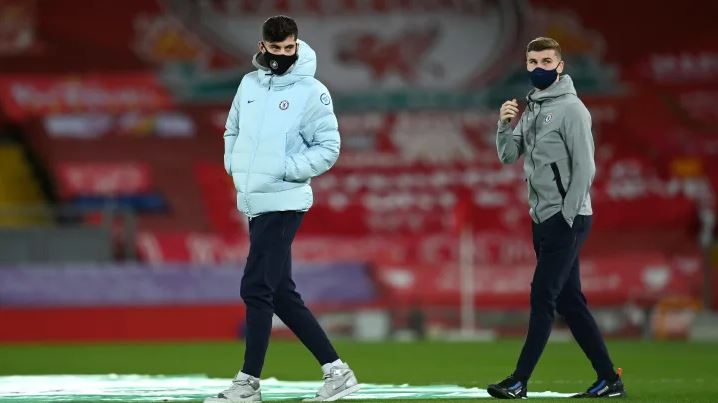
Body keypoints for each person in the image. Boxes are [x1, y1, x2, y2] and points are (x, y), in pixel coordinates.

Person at [205, 15, 360, 403]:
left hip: (285, 199)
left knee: (256, 287)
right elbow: (232, 129)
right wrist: (235, 166)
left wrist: (284, 170)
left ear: (297, 44)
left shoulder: (312, 91)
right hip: (255, 200)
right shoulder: (248, 84)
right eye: (275, 49)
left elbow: (329, 148)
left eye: (289, 48)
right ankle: (337, 372)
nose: (282, 55)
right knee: (281, 293)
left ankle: (248, 383)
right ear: (262, 47)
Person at [486, 37, 626, 399]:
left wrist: (568, 214)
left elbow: (585, 167)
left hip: (567, 218)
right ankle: (610, 379)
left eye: (546, 61)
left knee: (543, 296)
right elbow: (508, 155)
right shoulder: (532, 107)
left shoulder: (572, 110)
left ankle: (519, 380)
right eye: (533, 62)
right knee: (569, 302)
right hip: (542, 218)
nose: (539, 68)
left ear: (560, 66)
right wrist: (504, 124)